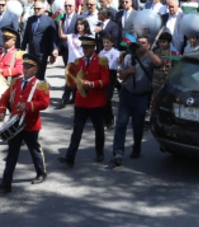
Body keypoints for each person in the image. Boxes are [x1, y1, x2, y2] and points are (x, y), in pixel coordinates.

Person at [0, 56, 51, 192]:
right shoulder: (15, 82)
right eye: (24, 66)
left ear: (36, 69)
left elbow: (44, 103)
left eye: (29, 67)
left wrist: (28, 106)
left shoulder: (40, 84)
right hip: (16, 124)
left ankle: (41, 173)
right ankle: (6, 183)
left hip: (30, 124)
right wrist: (1, 110)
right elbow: (5, 97)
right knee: (12, 152)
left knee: (34, 149)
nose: (25, 69)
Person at [58, 34, 110, 167]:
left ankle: (99, 152)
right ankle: (70, 157)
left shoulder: (101, 61)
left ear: (94, 48)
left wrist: (92, 84)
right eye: (83, 47)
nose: (84, 50)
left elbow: (106, 80)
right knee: (77, 130)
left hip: (96, 102)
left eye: (87, 47)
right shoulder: (78, 62)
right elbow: (73, 80)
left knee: (98, 129)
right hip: (81, 102)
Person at [112, 36, 158, 167]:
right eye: (138, 43)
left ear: (148, 45)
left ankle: (136, 148)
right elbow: (120, 76)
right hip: (126, 95)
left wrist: (148, 51)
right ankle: (118, 153)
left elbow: (159, 64)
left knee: (137, 126)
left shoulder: (150, 57)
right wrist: (127, 71)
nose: (140, 45)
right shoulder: (128, 57)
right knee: (121, 124)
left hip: (142, 97)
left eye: (143, 43)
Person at [56, 17, 92, 109]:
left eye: (81, 24)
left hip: (84, 64)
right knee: (69, 83)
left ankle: (83, 102)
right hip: (72, 64)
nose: (79, 26)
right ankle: (64, 100)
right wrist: (59, 25)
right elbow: (61, 36)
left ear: (85, 25)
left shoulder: (89, 37)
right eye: (78, 24)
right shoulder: (72, 36)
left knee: (82, 84)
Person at [21, 0, 58, 82]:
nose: (36, 10)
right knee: (31, 74)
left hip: (42, 52)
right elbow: (27, 34)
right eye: (35, 8)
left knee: (40, 75)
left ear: (43, 9)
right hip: (31, 51)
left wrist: (54, 50)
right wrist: (22, 48)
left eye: (38, 8)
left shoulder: (49, 21)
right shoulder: (30, 20)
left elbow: (53, 37)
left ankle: (39, 90)